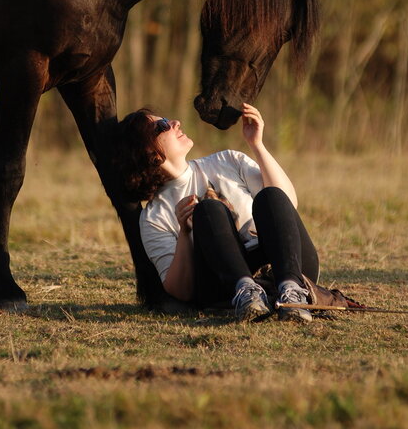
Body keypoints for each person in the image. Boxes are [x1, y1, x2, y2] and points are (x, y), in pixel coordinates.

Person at [115, 103, 320, 322]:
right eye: (163, 125)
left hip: (289, 265)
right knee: (208, 209)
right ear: (149, 152)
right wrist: (184, 233)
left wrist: (257, 145)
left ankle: (292, 291)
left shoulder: (228, 160)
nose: (175, 123)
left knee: (271, 195)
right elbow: (181, 291)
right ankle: (247, 292)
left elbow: (287, 204)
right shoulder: (154, 216)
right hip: (225, 289)